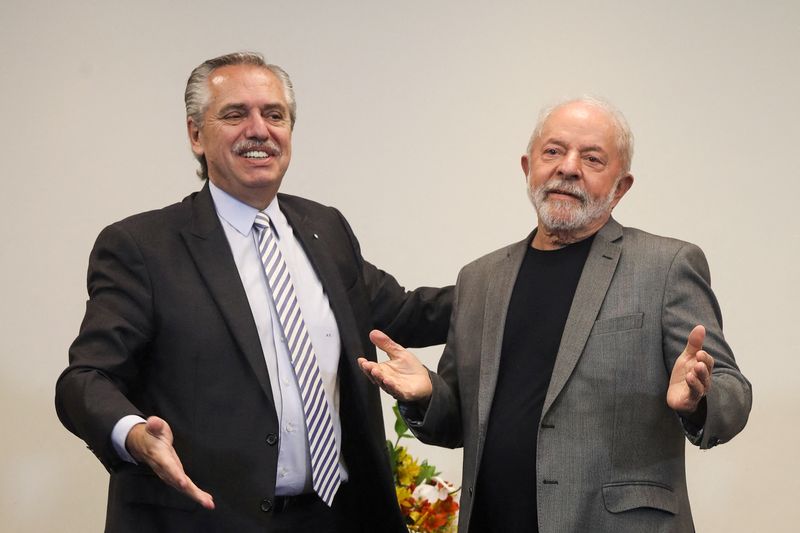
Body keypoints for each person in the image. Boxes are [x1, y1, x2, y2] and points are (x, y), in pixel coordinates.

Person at [55, 51, 452, 533]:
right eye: (235, 114)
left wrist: (513, 278)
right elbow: (85, 378)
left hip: (337, 518)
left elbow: (407, 310)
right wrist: (134, 434)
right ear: (196, 135)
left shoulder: (324, 227)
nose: (259, 130)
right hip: (206, 520)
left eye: (274, 115)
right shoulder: (143, 247)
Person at [359, 97, 752, 532]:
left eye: (592, 158)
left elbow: (733, 392)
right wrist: (427, 394)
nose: (568, 167)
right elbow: (457, 425)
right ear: (528, 168)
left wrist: (699, 401)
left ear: (621, 187)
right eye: (553, 151)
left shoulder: (666, 266)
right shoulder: (480, 279)